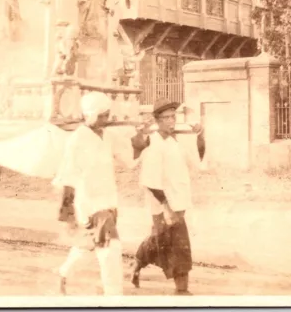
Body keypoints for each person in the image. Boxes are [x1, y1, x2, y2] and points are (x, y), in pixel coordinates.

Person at [53, 91, 150, 296]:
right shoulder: (78, 139)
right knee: (111, 249)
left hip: (108, 200)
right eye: (101, 116)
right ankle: (113, 298)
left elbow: (129, 161)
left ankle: (63, 273)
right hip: (88, 202)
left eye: (107, 115)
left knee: (88, 245)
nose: (106, 120)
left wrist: (141, 138)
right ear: (89, 115)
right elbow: (68, 174)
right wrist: (67, 211)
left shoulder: (109, 136)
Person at [130, 97, 205, 295]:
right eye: (166, 118)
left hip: (178, 200)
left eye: (173, 117)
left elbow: (198, 159)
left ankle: (138, 262)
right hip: (161, 203)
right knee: (173, 243)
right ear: (157, 121)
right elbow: (150, 180)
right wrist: (166, 206)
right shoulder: (153, 144)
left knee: (165, 240)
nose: (171, 122)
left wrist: (200, 135)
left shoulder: (176, 141)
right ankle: (181, 289)